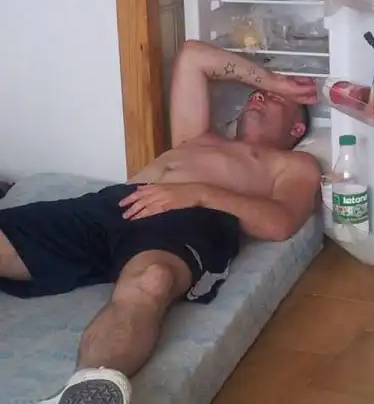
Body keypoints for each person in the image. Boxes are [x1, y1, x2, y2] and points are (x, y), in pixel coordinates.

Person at [0, 40, 321, 404]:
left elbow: (281, 223)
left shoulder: (293, 165)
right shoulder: (196, 136)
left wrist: (197, 194)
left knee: (151, 281)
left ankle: (86, 391)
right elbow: (193, 56)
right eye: (257, 93)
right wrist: (274, 82)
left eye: (275, 100)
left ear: (296, 129)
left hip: (188, 222)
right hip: (113, 205)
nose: (259, 96)